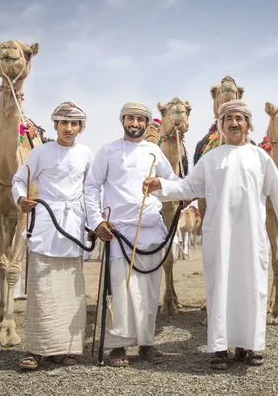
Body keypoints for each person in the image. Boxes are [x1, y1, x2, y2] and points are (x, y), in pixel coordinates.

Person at [143, 100, 278, 370]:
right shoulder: (210, 159)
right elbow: (188, 187)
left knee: (252, 288)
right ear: (221, 125)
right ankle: (218, 348)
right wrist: (162, 186)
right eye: (229, 119)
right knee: (221, 289)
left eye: (239, 118)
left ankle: (247, 346)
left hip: (252, 238)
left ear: (248, 124)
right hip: (220, 238)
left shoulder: (260, 157)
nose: (234, 123)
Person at [84, 102, 180, 367]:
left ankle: (147, 343)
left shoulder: (154, 152)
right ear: (122, 121)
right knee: (122, 289)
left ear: (147, 123)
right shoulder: (108, 151)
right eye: (130, 118)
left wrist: (168, 187)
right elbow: (91, 187)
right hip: (119, 232)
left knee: (149, 291)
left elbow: (171, 180)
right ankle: (118, 346)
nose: (134, 123)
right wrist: (97, 221)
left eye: (140, 119)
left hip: (151, 229)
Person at [12, 101, 92, 370]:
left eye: (74, 124)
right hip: (46, 224)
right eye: (63, 123)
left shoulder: (86, 154)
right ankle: (36, 350)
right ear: (55, 125)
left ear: (81, 127)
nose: (68, 128)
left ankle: (65, 350)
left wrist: (95, 222)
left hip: (74, 227)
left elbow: (91, 190)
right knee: (42, 291)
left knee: (71, 293)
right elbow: (18, 180)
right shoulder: (41, 152)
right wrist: (21, 198)